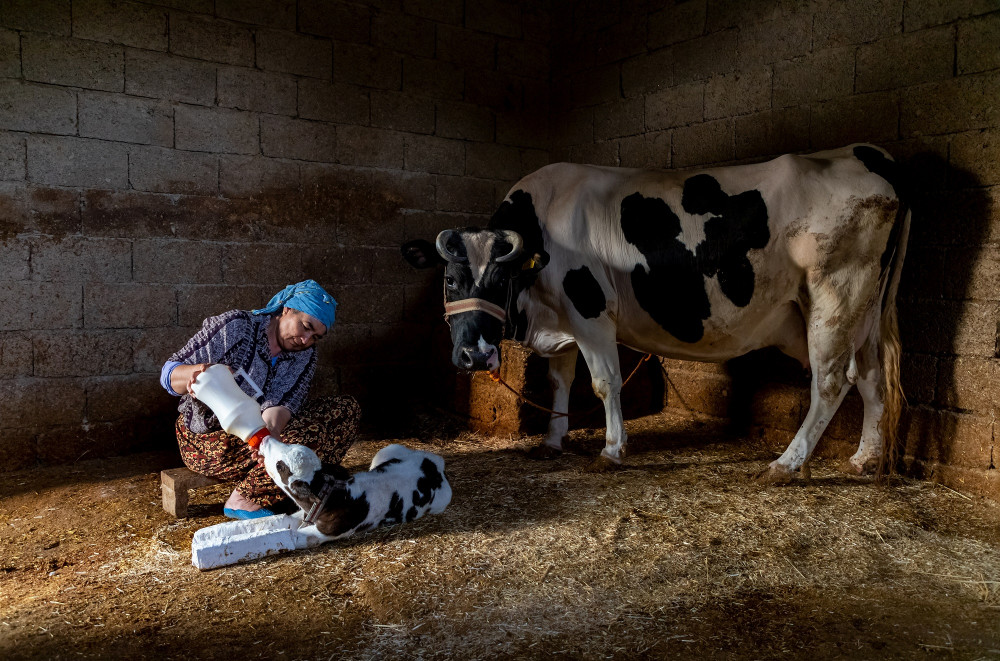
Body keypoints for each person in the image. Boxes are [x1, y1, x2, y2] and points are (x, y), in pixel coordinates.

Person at [160, 279, 361, 519]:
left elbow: (283, 403)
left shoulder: (304, 354)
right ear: (286, 309)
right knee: (308, 438)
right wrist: (193, 373)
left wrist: (271, 436)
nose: (307, 340)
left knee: (345, 410)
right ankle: (246, 499)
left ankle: (268, 489)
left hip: (256, 435)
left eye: (316, 337)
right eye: (306, 327)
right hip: (209, 441)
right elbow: (168, 373)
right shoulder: (236, 327)